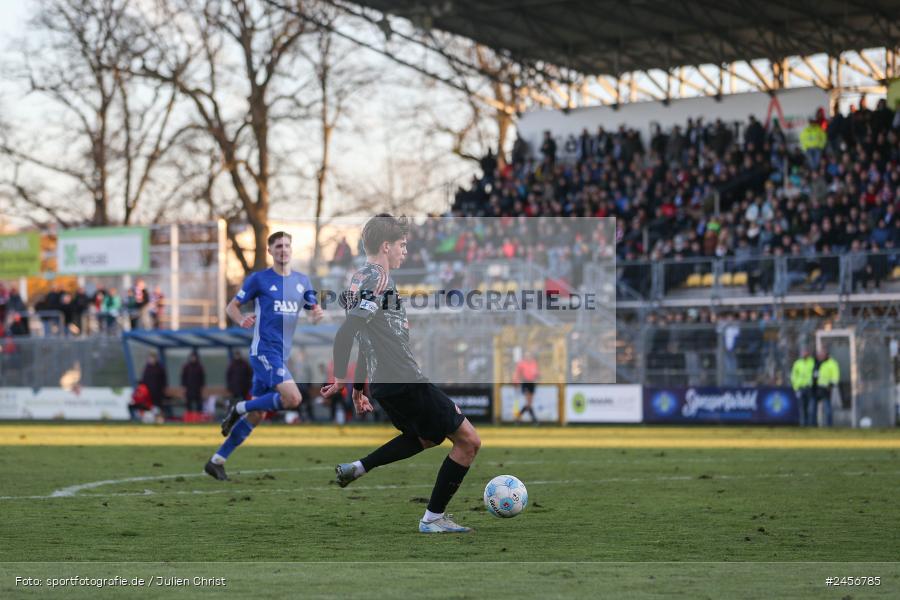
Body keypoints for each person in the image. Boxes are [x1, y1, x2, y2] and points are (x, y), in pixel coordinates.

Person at [321, 214, 482, 534]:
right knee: (469, 441)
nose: (405, 252)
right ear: (386, 246)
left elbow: (368, 338)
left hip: (385, 383)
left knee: (426, 437)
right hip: (404, 377)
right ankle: (433, 518)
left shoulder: (356, 280)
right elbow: (347, 332)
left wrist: (358, 388)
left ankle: (359, 467)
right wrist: (341, 378)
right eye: (402, 245)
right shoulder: (378, 279)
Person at [205, 231, 323, 480]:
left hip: (281, 355)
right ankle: (239, 407)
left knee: (257, 414)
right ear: (270, 251)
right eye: (278, 246)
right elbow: (231, 306)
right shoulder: (258, 279)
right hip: (264, 352)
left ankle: (217, 461)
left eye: (287, 245)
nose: (283, 250)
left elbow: (314, 308)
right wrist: (241, 319)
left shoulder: (303, 281)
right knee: (293, 398)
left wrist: (316, 313)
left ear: (292, 250)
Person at [811, 348, 840, 427]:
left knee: (827, 409)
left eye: (822, 354)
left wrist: (830, 385)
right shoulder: (816, 363)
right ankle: (813, 426)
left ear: (826, 354)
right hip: (815, 389)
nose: (820, 356)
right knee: (812, 409)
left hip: (825, 389)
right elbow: (813, 375)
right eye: (819, 354)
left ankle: (829, 426)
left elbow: (835, 376)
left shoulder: (831, 363)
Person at [790, 348, 815, 426]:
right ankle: (803, 424)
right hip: (800, 388)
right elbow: (793, 376)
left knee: (810, 408)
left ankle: (811, 424)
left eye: (806, 352)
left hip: (810, 388)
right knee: (802, 408)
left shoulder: (812, 362)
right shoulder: (797, 363)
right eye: (803, 352)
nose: (804, 354)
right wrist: (795, 388)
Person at [513, 351, 539, 424]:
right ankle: (534, 420)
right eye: (527, 355)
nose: (528, 357)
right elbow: (517, 373)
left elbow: (536, 373)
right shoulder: (521, 364)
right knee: (528, 402)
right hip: (525, 383)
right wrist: (516, 381)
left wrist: (537, 376)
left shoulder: (534, 363)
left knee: (529, 403)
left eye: (529, 355)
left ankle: (518, 418)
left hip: (532, 383)